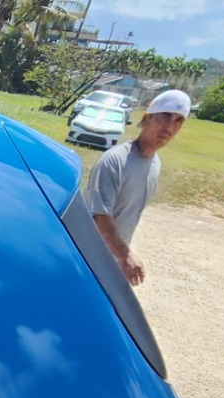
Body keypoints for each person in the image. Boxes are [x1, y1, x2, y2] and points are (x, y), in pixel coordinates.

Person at [81, 89, 191, 286]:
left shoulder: (155, 164)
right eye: (165, 116)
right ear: (147, 118)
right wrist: (126, 256)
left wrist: (120, 258)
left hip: (112, 262)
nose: (169, 127)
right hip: (86, 260)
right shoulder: (115, 161)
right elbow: (99, 216)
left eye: (178, 121)